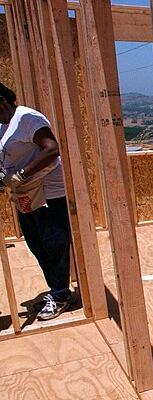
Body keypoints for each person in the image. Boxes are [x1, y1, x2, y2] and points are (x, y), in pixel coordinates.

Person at [0, 83, 75, 321]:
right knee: (36, 244)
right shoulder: (4, 124)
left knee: (54, 243)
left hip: (47, 192)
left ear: (2, 101)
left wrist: (21, 174)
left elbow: (51, 150)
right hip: (27, 193)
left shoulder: (27, 118)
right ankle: (56, 290)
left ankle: (61, 295)